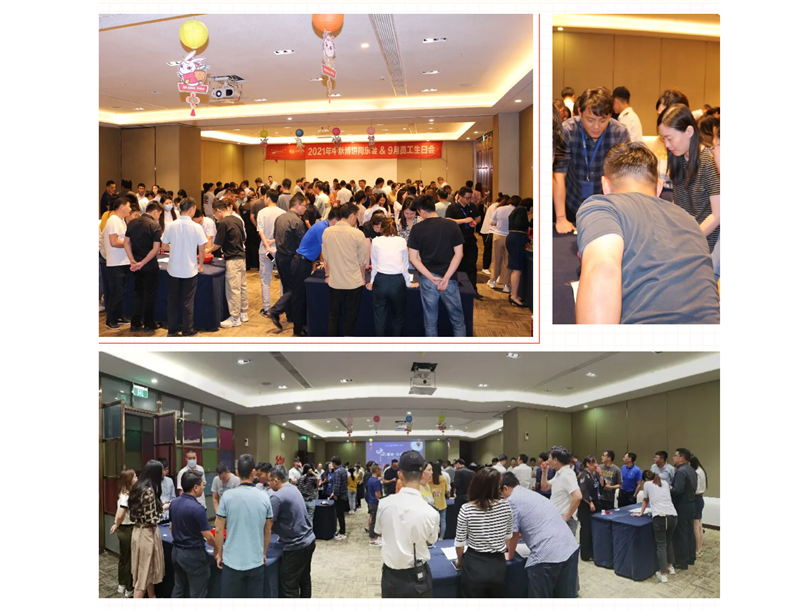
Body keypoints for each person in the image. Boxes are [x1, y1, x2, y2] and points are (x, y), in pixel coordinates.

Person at [575, 141, 720, 324]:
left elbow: (603, 267)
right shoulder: (689, 220)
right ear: (659, 187)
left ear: (605, 186)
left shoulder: (603, 206)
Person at [553, 87, 631, 233]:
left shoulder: (619, 133)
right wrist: (561, 218)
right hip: (571, 202)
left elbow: (623, 178)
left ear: (610, 115)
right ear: (580, 112)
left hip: (606, 207)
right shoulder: (567, 131)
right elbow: (558, 176)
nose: (596, 126)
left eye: (603, 120)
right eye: (590, 120)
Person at [501, 472, 580, 598]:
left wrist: (509, 555)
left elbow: (513, 534)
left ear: (505, 488)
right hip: (569, 548)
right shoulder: (531, 494)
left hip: (547, 557)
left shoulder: (511, 500)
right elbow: (538, 522)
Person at [374, 450, 439, 597]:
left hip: (391, 576)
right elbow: (431, 540)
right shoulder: (431, 512)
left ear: (400, 475)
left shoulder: (384, 504)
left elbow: (379, 531)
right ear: (422, 475)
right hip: (419, 578)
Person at [658, 104, 720, 252]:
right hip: (684, 237)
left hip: (703, 242)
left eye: (670, 138)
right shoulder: (678, 158)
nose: (667, 145)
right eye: (663, 139)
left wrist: (689, 238)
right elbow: (679, 202)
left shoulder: (709, 161)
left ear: (689, 131)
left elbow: (717, 215)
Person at [214, 454, 274, 598]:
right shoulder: (264, 497)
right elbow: (268, 530)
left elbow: (219, 529)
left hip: (231, 561)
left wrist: (219, 554)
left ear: (237, 472)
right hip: (255, 560)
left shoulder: (227, 497)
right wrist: (263, 553)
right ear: (253, 472)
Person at [408, 195, 467, 336]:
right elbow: (459, 254)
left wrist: (430, 277)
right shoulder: (451, 225)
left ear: (422, 211)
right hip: (449, 278)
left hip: (428, 279)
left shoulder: (417, 229)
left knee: (430, 321)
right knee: (458, 320)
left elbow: (413, 258)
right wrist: (446, 277)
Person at [453, 467, 512, 597]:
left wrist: (460, 561)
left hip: (474, 563)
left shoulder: (467, 509)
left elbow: (460, 543)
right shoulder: (506, 506)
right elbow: (508, 537)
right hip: (497, 564)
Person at [160, 198, 208, 337]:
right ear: (192, 209)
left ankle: (172, 330)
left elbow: (164, 246)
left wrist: (175, 247)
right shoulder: (197, 227)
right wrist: (201, 265)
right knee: (188, 302)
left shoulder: (170, 225)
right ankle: (187, 330)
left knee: (172, 302)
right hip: (189, 270)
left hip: (173, 269)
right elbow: (202, 250)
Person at [267, 464, 316, 598]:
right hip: (309, 540)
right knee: (304, 579)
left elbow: (268, 525)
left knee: (289, 586)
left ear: (276, 480)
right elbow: (293, 517)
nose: (268, 484)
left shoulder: (276, 497)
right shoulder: (293, 489)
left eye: (269, 481)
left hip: (296, 546)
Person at [168, 470, 218, 598]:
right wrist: (217, 548)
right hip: (193, 555)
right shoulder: (197, 508)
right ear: (195, 487)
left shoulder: (174, 503)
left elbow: (171, 527)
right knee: (197, 592)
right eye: (202, 484)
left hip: (176, 552)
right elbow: (208, 536)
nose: (203, 487)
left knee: (179, 588)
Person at [290, 206, 338, 336]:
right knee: (299, 297)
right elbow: (325, 249)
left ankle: (302, 324)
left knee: (302, 295)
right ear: (335, 220)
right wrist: (326, 267)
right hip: (301, 262)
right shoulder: (322, 228)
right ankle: (297, 329)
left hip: (305, 262)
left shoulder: (323, 225)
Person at [322, 203, 368, 336]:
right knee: (350, 317)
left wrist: (327, 275)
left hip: (335, 281)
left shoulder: (327, 232)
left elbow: (326, 258)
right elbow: (362, 261)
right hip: (353, 282)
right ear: (352, 215)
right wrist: (363, 278)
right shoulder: (357, 234)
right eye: (356, 216)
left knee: (333, 315)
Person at [366, 218, 416, 336]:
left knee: (379, 318)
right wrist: (408, 283)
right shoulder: (402, 241)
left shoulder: (376, 241)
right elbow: (405, 265)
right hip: (397, 282)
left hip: (380, 281)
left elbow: (375, 264)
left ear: (381, 228)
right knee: (398, 318)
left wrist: (372, 281)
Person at [265, 194, 307, 330]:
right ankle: (275, 310)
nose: (305, 208)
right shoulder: (297, 221)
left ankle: (290, 314)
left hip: (280, 256)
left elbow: (276, 236)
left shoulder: (280, 218)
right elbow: (302, 244)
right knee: (294, 288)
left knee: (287, 287)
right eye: (304, 206)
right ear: (297, 205)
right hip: (291, 258)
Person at [127, 460, 166, 598]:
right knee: (143, 576)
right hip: (146, 534)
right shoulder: (149, 491)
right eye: (161, 471)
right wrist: (162, 510)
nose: (163, 473)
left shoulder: (137, 487)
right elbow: (152, 519)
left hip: (138, 531)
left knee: (146, 570)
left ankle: (152, 597)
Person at [124, 200, 163, 331]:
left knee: (138, 292)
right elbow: (155, 249)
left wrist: (132, 260)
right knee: (150, 294)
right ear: (155, 212)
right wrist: (143, 263)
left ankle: (135, 322)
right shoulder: (155, 226)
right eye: (159, 214)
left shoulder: (132, 223)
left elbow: (126, 242)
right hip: (149, 265)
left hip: (136, 264)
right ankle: (148, 323)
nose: (159, 217)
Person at [632, 470, 678, 583]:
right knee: (669, 540)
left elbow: (645, 500)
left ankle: (663, 574)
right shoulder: (665, 483)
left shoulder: (647, 484)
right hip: (673, 515)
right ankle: (670, 566)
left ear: (645, 479)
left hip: (660, 517)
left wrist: (641, 513)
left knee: (661, 544)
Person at [209, 199, 248, 328]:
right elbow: (243, 238)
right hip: (242, 257)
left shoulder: (223, 223)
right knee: (242, 286)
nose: (215, 216)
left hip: (232, 259)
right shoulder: (237, 219)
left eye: (215, 213)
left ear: (218, 211)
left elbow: (217, 244)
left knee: (233, 288)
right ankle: (243, 312)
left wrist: (207, 251)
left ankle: (235, 317)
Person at [102, 197, 132, 329]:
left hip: (123, 261)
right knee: (117, 291)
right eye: (129, 206)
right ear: (121, 206)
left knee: (122, 291)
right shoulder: (113, 220)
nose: (130, 209)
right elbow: (113, 242)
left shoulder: (121, 221)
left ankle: (118, 316)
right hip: (115, 262)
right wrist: (129, 244)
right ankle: (111, 319)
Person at [539, 446, 582, 537]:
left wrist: (567, 516)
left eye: (549, 458)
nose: (548, 460)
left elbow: (578, 496)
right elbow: (544, 487)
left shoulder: (567, 474)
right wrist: (544, 471)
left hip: (564, 521)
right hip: (558, 518)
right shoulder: (559, 474)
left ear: (555, 460)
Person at [445, 187, 481, 294]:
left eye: (470, 198)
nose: (469, 200)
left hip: (470, 239)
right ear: (460, 196)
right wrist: (464, 220)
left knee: (472, 265)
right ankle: (459, 289)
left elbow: (478, 217)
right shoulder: (452, 207)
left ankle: (473, 289)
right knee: (459, 265)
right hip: (457, 240)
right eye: (467, 198)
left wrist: (475, 222)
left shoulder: (472, 206)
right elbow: (448, 221)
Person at [255, 189, 284, 317]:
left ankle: (267, 309)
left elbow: (260, 231)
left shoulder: (262, 212)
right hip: (279, 250)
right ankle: (282, 307)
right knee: (283, 278)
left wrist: (267, 246)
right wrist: (274, 240)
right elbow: (283, 233)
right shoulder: (283, 213)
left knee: (266, 280)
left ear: (268, 198)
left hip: (266, 251)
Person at [109, 469, 137, 597]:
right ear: (129, 480)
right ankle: (129, 589)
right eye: (134, 477)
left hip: (123, 528)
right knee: (129, 559)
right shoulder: (126, 496)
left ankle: (122, 584)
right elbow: (121, 513)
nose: (136, 478)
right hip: (127, 528)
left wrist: (117, 524)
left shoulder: (122, 493)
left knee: (123, 558)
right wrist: (116, 523)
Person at [671, 448, 697, 569]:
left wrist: (669, 489)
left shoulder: (681, 471)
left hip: (682, 504)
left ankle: (682, 561)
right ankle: (691, 557)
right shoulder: (691, 469)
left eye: (676, 456)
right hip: (691, 503)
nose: (673, 458)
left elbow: (678, 490)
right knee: (689, 532)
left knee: (682, 533)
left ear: (681, 458)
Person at [506, 197, 532, 307]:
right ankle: (514, 296)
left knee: (515, 268)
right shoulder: (522, 210)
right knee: (517, 269)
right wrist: (530, 224)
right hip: (517, 239)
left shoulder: (517, 209)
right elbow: (519, 224)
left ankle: (513, 293)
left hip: (513, 238)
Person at [576, 456, 600, 561]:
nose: (596, 465)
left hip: (594, 503)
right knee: (585, 529)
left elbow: (600, 486)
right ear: (588, 464)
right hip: (585, 505)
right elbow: (583, 491)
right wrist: (590, 502)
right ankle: (585, 554)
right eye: (594, 463)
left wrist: (600, 474)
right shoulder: (583, 475)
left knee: (590, 529)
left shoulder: (593, 475)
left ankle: (591, 551)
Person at [488, 196, 513, 292]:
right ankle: (506, 284)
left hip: (498, 236)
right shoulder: (515, 210)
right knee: (507, 260)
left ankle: (493, 281)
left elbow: (492, 222)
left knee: (496, 258)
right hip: (509, 236)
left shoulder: (499, 209)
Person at [689, 454, 708, 556]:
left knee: (695, 526)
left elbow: (695, 489)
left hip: (696, 499)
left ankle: (697, 549)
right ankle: (700, 547)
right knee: (699, 525)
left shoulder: (696, 472)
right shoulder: (701, 470)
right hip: (700, 499)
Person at [327, 455, 349, 539]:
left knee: (339, 514)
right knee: (341, 514)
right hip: (344, 495)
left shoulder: (337, 472)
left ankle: (342, 531)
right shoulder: (343, 470)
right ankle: (342, 529)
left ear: (334, 463)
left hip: (339, 496)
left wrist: (335, 494)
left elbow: (337, 485)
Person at [428, 462, 449, 540]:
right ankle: (441, 537)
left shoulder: (429, 479)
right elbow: (447, 490)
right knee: (443, 521)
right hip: (442, 502)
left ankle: (434, 537)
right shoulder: (443, 478)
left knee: (433, 522)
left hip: (432, 503)